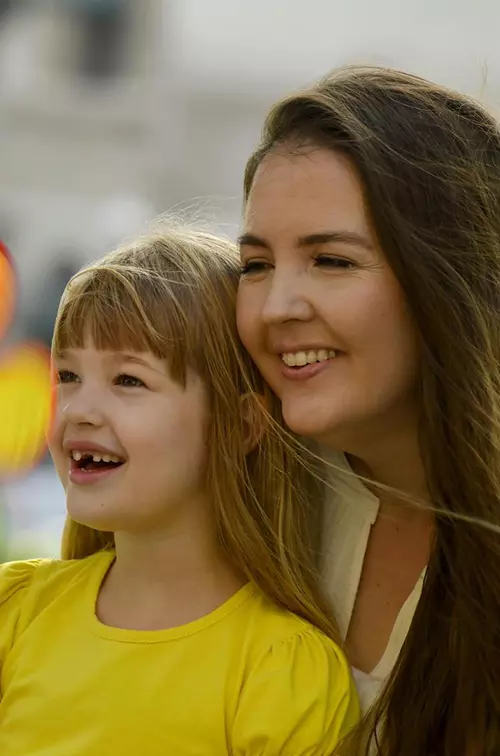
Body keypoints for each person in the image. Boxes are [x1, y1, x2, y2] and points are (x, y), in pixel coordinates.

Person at [0, 226, 359, 755]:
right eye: (70, 376)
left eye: (128, 380)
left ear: (238, 427)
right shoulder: (15, 612)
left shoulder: (281, 670)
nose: (78, 410)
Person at [236, 66, 500, 755]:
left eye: (331, 261)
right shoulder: (247, 498)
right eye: (256, 265)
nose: (276, 308)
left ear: (446, 278)